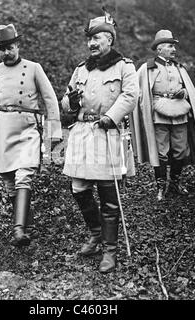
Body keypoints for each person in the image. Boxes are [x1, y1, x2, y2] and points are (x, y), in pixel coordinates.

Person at [61, 12, 138, 273]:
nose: (91, 44)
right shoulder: (81, 69)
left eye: (96, 39)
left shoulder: (124, 66)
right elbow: (66, 100)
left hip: (107, 133)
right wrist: (70, 103)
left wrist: (111, 117)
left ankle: (110, 250)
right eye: (89, 40)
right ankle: (95, 234)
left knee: (108, 193)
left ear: (109, 39)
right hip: (83, 133)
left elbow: (130, 96)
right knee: (79, 188)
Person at [0, 24, 62, 246]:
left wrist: (54, 132)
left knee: (24, 175)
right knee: (9, 183)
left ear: (18, 45)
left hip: (27, 128)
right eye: (2, 49)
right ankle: (26, 225)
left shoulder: (33, 68)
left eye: (10, 47)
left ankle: (19, 230)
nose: (6, 53)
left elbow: (50, 99)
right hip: (2, 130)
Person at [130, 30, 195, 201]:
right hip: (159, 114)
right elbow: (137, 92)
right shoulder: (147, 68)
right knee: (161, 152)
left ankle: (175, 184)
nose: (174, 50)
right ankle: (160, 187)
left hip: (180, 112)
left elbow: (189, 90)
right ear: (159, 49)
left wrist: (184, 92)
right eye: (170, 46)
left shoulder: (179, 68)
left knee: (180, 151)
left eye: (174, 46)